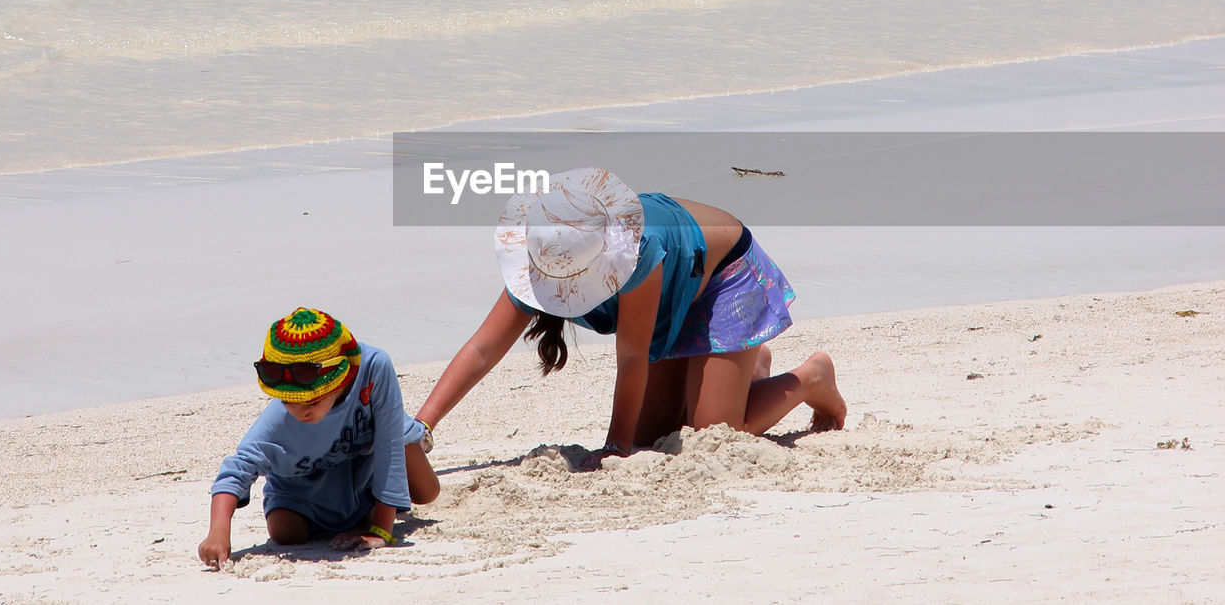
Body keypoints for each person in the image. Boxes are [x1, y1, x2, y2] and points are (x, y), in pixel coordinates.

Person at [416, 167, 846, 458]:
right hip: (677, 294)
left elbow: (634, 357)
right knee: (655, 437)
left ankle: (810, 377)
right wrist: (422, 428)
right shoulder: (547, 252)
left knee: (712, 433)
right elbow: (481, 351)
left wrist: (613, 450)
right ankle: (745, 367)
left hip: (722, 277)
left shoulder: (634, 255)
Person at [198, 307, 439, 569]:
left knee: (427, 491)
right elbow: (236, 469)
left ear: (341, 380)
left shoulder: (373, 368)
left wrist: (381, 530)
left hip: (366, 462)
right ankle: (354, 514)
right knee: (284, 531)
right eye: (290, 400)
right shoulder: (278, 421)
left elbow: (389, 447)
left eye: (313, 399)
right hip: (306, 486)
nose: (300, 411)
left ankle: (378, 493)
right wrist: (218, 532)